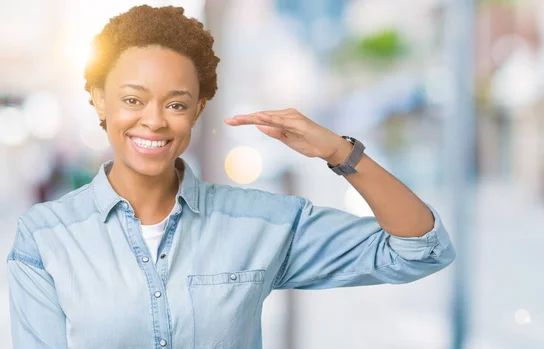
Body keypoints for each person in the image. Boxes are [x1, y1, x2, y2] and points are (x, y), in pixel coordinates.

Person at [6, 5, 456, 349]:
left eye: (177, 104)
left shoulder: (262, 224)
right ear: (100, 102)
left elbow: (419, 250)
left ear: (198, 111)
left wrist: (339, 151)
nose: (155, 120)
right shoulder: (45, 239)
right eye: (132, 100)